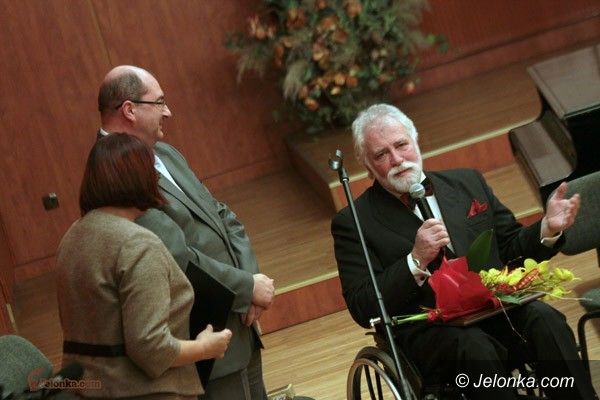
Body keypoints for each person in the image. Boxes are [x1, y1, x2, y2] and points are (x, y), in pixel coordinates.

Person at [331, 103, 597, 399]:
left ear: (416, 141)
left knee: (546, 321)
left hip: (494, 308)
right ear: (367, 166)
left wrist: (546, 228)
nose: (397, 159)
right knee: (475, 348)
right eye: (381, 154)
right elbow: (363, 305)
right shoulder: (353, 222)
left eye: (401, 145)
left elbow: (510, 247)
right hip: (432, 331)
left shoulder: (467, 182)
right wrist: (415, 259)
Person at [96, 65, 274, 400]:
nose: (168, 112)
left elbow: (222, 215)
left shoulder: (164, 153)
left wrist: (251, 282)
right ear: (130, 110)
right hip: (202, 331)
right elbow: (175, 257)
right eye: (159, 102)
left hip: (240, 319)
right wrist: (246, 287)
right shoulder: (115, 172)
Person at [57, 133, 232, 399]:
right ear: (140, 178)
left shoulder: (72, 236)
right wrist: (205, 348)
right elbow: (151, 348)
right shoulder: (136, 244)